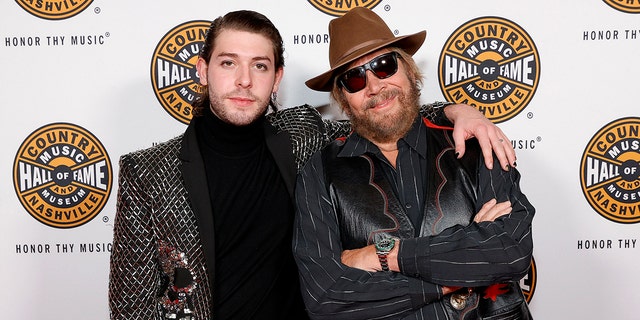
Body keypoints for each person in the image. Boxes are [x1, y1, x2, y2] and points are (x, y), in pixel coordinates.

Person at [108, 10, 518, 320]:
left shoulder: (302, 133)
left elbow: (383, 113)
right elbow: (130, 306)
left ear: (277, 77)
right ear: (203, 70)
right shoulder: (147, 172)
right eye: (228, 62)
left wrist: (458, 111)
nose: (245, 80)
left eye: (260, 65)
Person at [293, 7, 535, 320]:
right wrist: (456, 271)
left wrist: (385, 255)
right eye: (354, 79)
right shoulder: (320, 170)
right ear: (343, 97)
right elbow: (325, 297)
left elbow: (509, 250)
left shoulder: (475, 143)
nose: (374, 86)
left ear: (408, 70)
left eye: (383, 66)